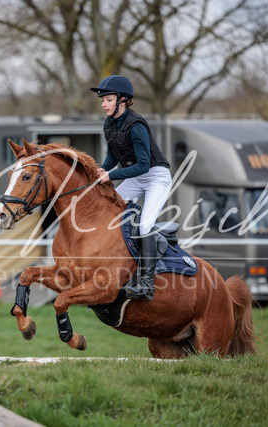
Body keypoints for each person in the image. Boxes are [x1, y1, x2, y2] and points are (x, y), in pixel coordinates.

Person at [90, 75, 172, 300]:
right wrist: (101, 170)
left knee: (145, 225)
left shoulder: (136, 126)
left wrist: (111, 176)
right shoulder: (109, 124)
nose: (104, 104)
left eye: (108, 100)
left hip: (155, 176)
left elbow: (143, 166)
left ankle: (147, 282)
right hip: (135, 177)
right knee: (107, 212)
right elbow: (112, 158)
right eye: (103, 100)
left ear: (123, 100)